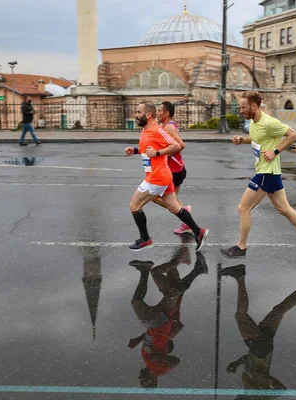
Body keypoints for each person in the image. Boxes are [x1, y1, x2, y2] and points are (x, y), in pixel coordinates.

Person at [220, 91, 296, 261]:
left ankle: (241, 247)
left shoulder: (269, 122)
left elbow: (293, 135)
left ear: (253, 106)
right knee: (284, 209)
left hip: (266, 172)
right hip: (269, 173)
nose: (241, 111)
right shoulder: (254, 121)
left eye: (244, 108)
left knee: (243, 208)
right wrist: (242, 140)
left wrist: (275, 151)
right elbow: (257, 138)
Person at [220, 262, 296, 399]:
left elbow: (250, 362)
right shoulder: (258, 397)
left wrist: (237, 363)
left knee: (278, 311)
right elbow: (281, 390)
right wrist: (266, 379)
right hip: (258, 348)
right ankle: (239, 276)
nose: (235, 397)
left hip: (262, 350)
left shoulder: (249, 389)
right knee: (241, 316)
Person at [124, 101, 208, 252]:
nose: (135, 115)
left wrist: (157, 153)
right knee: (174, 207)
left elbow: (176, 146)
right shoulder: (145, 130)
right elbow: (148, 149)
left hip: (157, 178)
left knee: (134, 206)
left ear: (148, 115)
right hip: (161, 176)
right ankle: (199, 232)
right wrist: (135, 150)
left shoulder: (158, 130)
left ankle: (145, 239)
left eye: (138, 112)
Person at [128, 247, 208, 388]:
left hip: (155, 326)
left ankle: (182, 257)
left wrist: (138, 339)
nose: (140, 377)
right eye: (143, 381)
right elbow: (175, 361)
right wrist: (160, 357)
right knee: (171, 291)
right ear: (152, 381)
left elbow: (150, 340)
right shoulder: (158, 370)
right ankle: (148, 270)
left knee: (173, 289)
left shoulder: (149, 364)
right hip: (158, 325)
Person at [151, 101, 193, 235]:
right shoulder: (167, 126)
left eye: (159, 110)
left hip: (174, 170)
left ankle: (185, 212)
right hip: (177, 169)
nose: (157, 113)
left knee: (156, 198)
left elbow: (181, 145)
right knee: (172, 201)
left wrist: (162, 154)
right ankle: (186, 220)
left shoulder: (169, 128)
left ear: (166, 113)